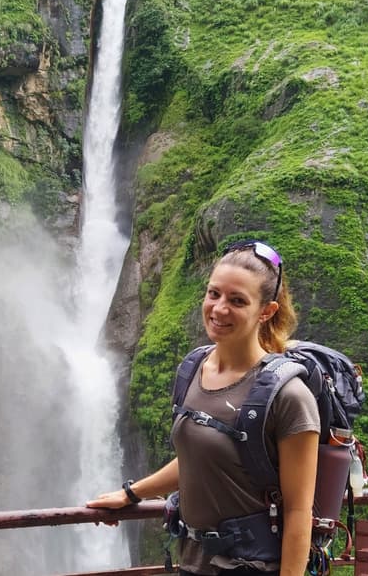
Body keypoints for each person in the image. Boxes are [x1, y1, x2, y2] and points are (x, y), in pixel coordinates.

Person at [88, 240, 321, 576]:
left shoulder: (290, 397)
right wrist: (131, 493)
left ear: (266, 311)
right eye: (214, 294)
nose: (219, 308)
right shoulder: (193, 369)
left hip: (251, 566)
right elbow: (199, 459)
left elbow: (299, 512)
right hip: (194, 562)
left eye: (237, 300)